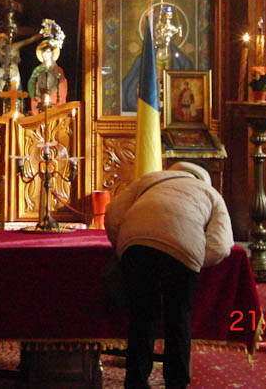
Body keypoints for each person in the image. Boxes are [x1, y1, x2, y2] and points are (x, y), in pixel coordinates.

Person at [105, 161, 234, 389]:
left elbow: (113, 214)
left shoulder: (149, 180)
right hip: (183, 251)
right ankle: (177, 382)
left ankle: (135, 381)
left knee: (142, 316)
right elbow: (221, 246)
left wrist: (123, 245)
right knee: (179, 317)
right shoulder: (211, 193)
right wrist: (194, 260)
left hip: (136, 245)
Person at [27, 40, 68, 113]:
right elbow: (33, 87)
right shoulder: (37, 70)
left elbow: (62, 87)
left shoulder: (58, 70)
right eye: (43, 52)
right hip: (40, 105)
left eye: (48, 52)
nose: (45, 54)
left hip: (55, 105)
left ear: (52, 53)